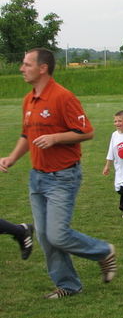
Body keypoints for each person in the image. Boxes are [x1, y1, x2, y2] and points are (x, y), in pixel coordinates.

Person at [0, 48, 116, 299]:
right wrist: (12, 157)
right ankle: (69, 284)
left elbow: (87, 132)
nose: (22, 68)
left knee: (58, 234)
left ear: (43, 68)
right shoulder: (28, 99)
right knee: (44, 236)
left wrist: (55, 138)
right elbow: (25, 135)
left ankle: (103, 251)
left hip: (63, 177)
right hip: (37, 176)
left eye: (26, 64)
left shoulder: (63, 97)